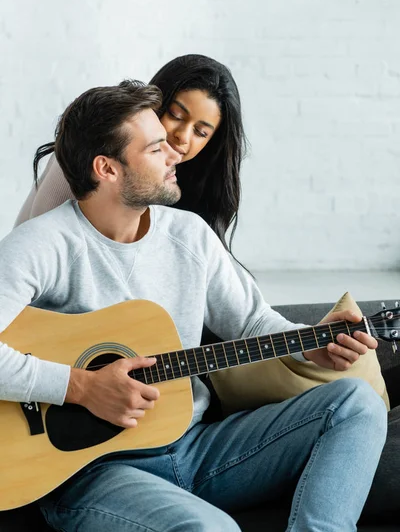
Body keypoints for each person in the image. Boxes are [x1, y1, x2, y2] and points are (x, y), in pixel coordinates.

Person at [0, 80, 387, 532]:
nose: (175, 155)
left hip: (195, 446)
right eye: (156, 148)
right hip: (93, 472)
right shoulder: (40, 244)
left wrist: (308, 347)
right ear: (107, 168)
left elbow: (252, 321)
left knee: (355, 403)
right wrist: (81, 387)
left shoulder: (189, 235)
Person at [15, 54, 245, 256]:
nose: (182, 137)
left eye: (200, 132)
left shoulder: (185, 188)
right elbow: (37, 245)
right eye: (176, 115)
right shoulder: (90, 153)